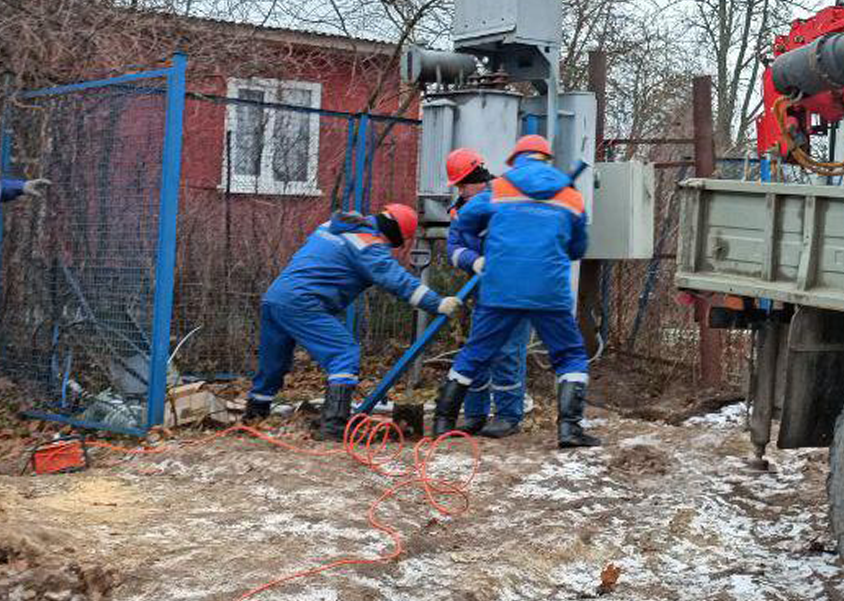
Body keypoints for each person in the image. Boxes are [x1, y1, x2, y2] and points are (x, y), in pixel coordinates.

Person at [433, 134, 599, 448]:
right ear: (546, 158)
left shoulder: (498, 188)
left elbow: (463, 219)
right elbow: (578, 248)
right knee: (570, 355)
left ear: (515, 159)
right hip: (549, 290)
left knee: (476, 352)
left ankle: (443, 421)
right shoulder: (570, 194)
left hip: (501, 287)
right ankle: (569, 429)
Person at [244, 203, 460, 440]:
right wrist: (436, 303)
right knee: (343, 354)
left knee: (273, 361)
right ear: (396, 234)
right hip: (304, 303)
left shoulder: (335, 226)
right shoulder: (368, 245)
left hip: (276, 297)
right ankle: (334, 425)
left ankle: (255, 414)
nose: (389, 248)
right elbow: (397, 280)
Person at [443, 147, 531, 438]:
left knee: (508, 351)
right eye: (458, 185)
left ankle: (508, 416)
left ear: (478, 178)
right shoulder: (460, 211)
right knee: (478, 350)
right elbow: (453, 249)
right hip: (485, 292)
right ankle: (475, 414)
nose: (461, 189)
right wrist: (474, 260)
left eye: (463, 184)